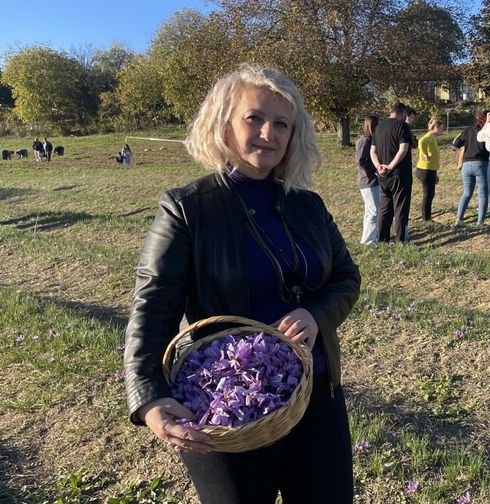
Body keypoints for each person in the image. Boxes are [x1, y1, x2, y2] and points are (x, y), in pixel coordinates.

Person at [123, 64, 361, 503]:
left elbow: (346, 278)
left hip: (315, 392)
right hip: (226, 406)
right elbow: (152, 307)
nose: (268, 133)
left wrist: (316, 313)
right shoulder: (186, 208)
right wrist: (149, 397)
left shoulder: (308, 206)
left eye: (282, 124)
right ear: (224, 124)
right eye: (254, 118)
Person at [370, 102, 413, 243]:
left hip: (383, 175)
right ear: (403, 113)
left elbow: (373, 151)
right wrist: (391, 166)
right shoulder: (402, 126)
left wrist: (379, 166)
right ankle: (401, 241)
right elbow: (403, 148)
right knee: (401, 207)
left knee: (385, 207)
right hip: (399, 173)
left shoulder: (379, 127)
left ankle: (382, 239)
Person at [452, 109, 490, 226]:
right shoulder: (488, 130)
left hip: (466, 165)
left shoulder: (467, 130)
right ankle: (480, 222)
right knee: (483, 194)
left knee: (467, 193)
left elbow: (454, 146)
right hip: (481, 163)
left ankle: (459, 219)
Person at [415, 117, 445, 222]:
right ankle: (426, 219)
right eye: (441, 128)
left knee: (430, 194)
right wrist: (424, 154)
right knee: (428, 195)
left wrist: (435, 173)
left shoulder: (433, 137)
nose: (443, 130)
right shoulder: (429, 136)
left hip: (430, 170)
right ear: (435, 127)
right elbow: (421, 142)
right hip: (425, 170)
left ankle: (426, 217)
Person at [355, 114, 379, 244]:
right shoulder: (365, 140)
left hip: (370, 180)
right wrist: (374, 170)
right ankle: (368, 241)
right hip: (367, 181)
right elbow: (360, 160)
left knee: (372, 209)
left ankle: (372, 236)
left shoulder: (369, 140)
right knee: (373, 210)